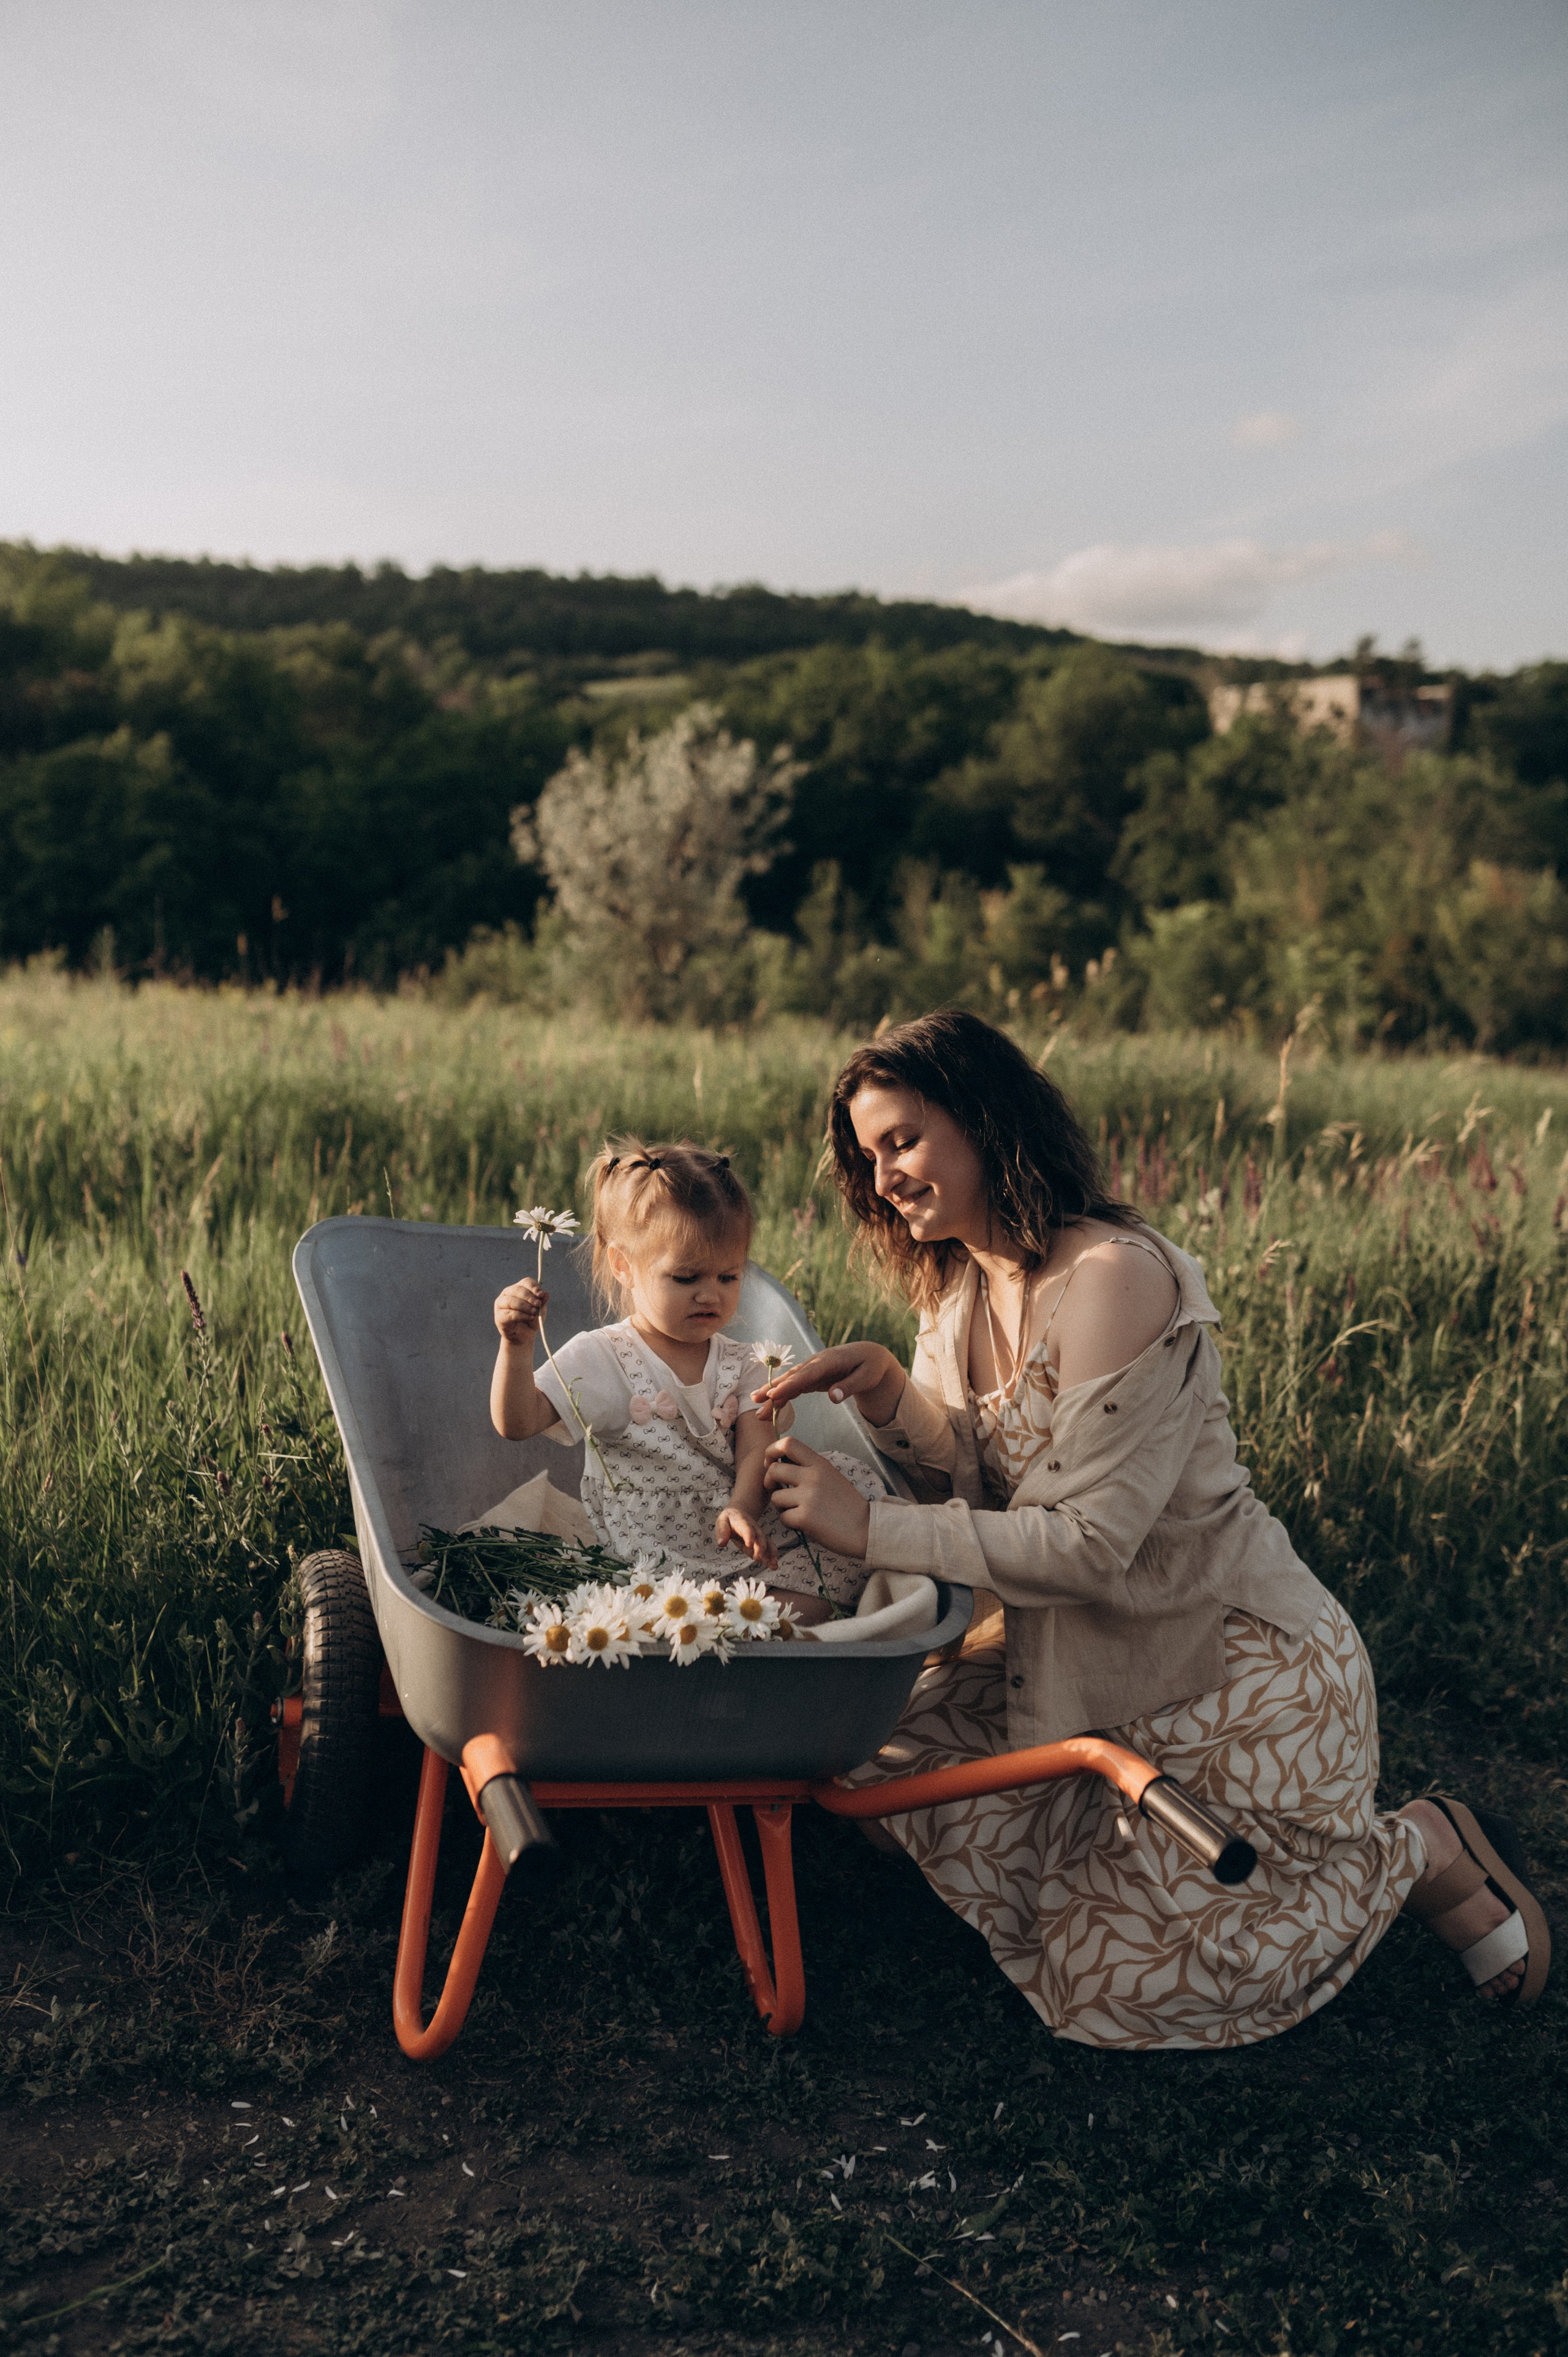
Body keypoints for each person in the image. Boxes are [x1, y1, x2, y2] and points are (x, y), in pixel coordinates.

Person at [755, 1010, 1550, 2048]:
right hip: (1071, 1650)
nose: (886, 1174)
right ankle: (1090, 1858)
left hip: (1226, 1663)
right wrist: (888, 1395)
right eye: (869, 1155)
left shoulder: (1116, 1278)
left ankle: (1417, 1851)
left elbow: (1086, 1541)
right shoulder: (957, 1287)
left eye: (902, 1138)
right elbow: (981, 1470)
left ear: (986, 1119)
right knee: (871, 1755)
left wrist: (868, 1527)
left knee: (1119, 1991)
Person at [489, 1138, 880, 1621]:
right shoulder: (602, 1357)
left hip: (736, 1525)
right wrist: (516, 1346)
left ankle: (752, 1617)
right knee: (665, 1606)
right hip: (654, 1546)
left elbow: (756, 1450)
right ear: (623, 1266)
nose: (709, 1295)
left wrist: (741, 1508)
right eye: (687, 1278)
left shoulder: (744, 1364)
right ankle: (723, 1620)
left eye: (728, 1277)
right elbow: (518, 1421)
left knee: (856, 1490)